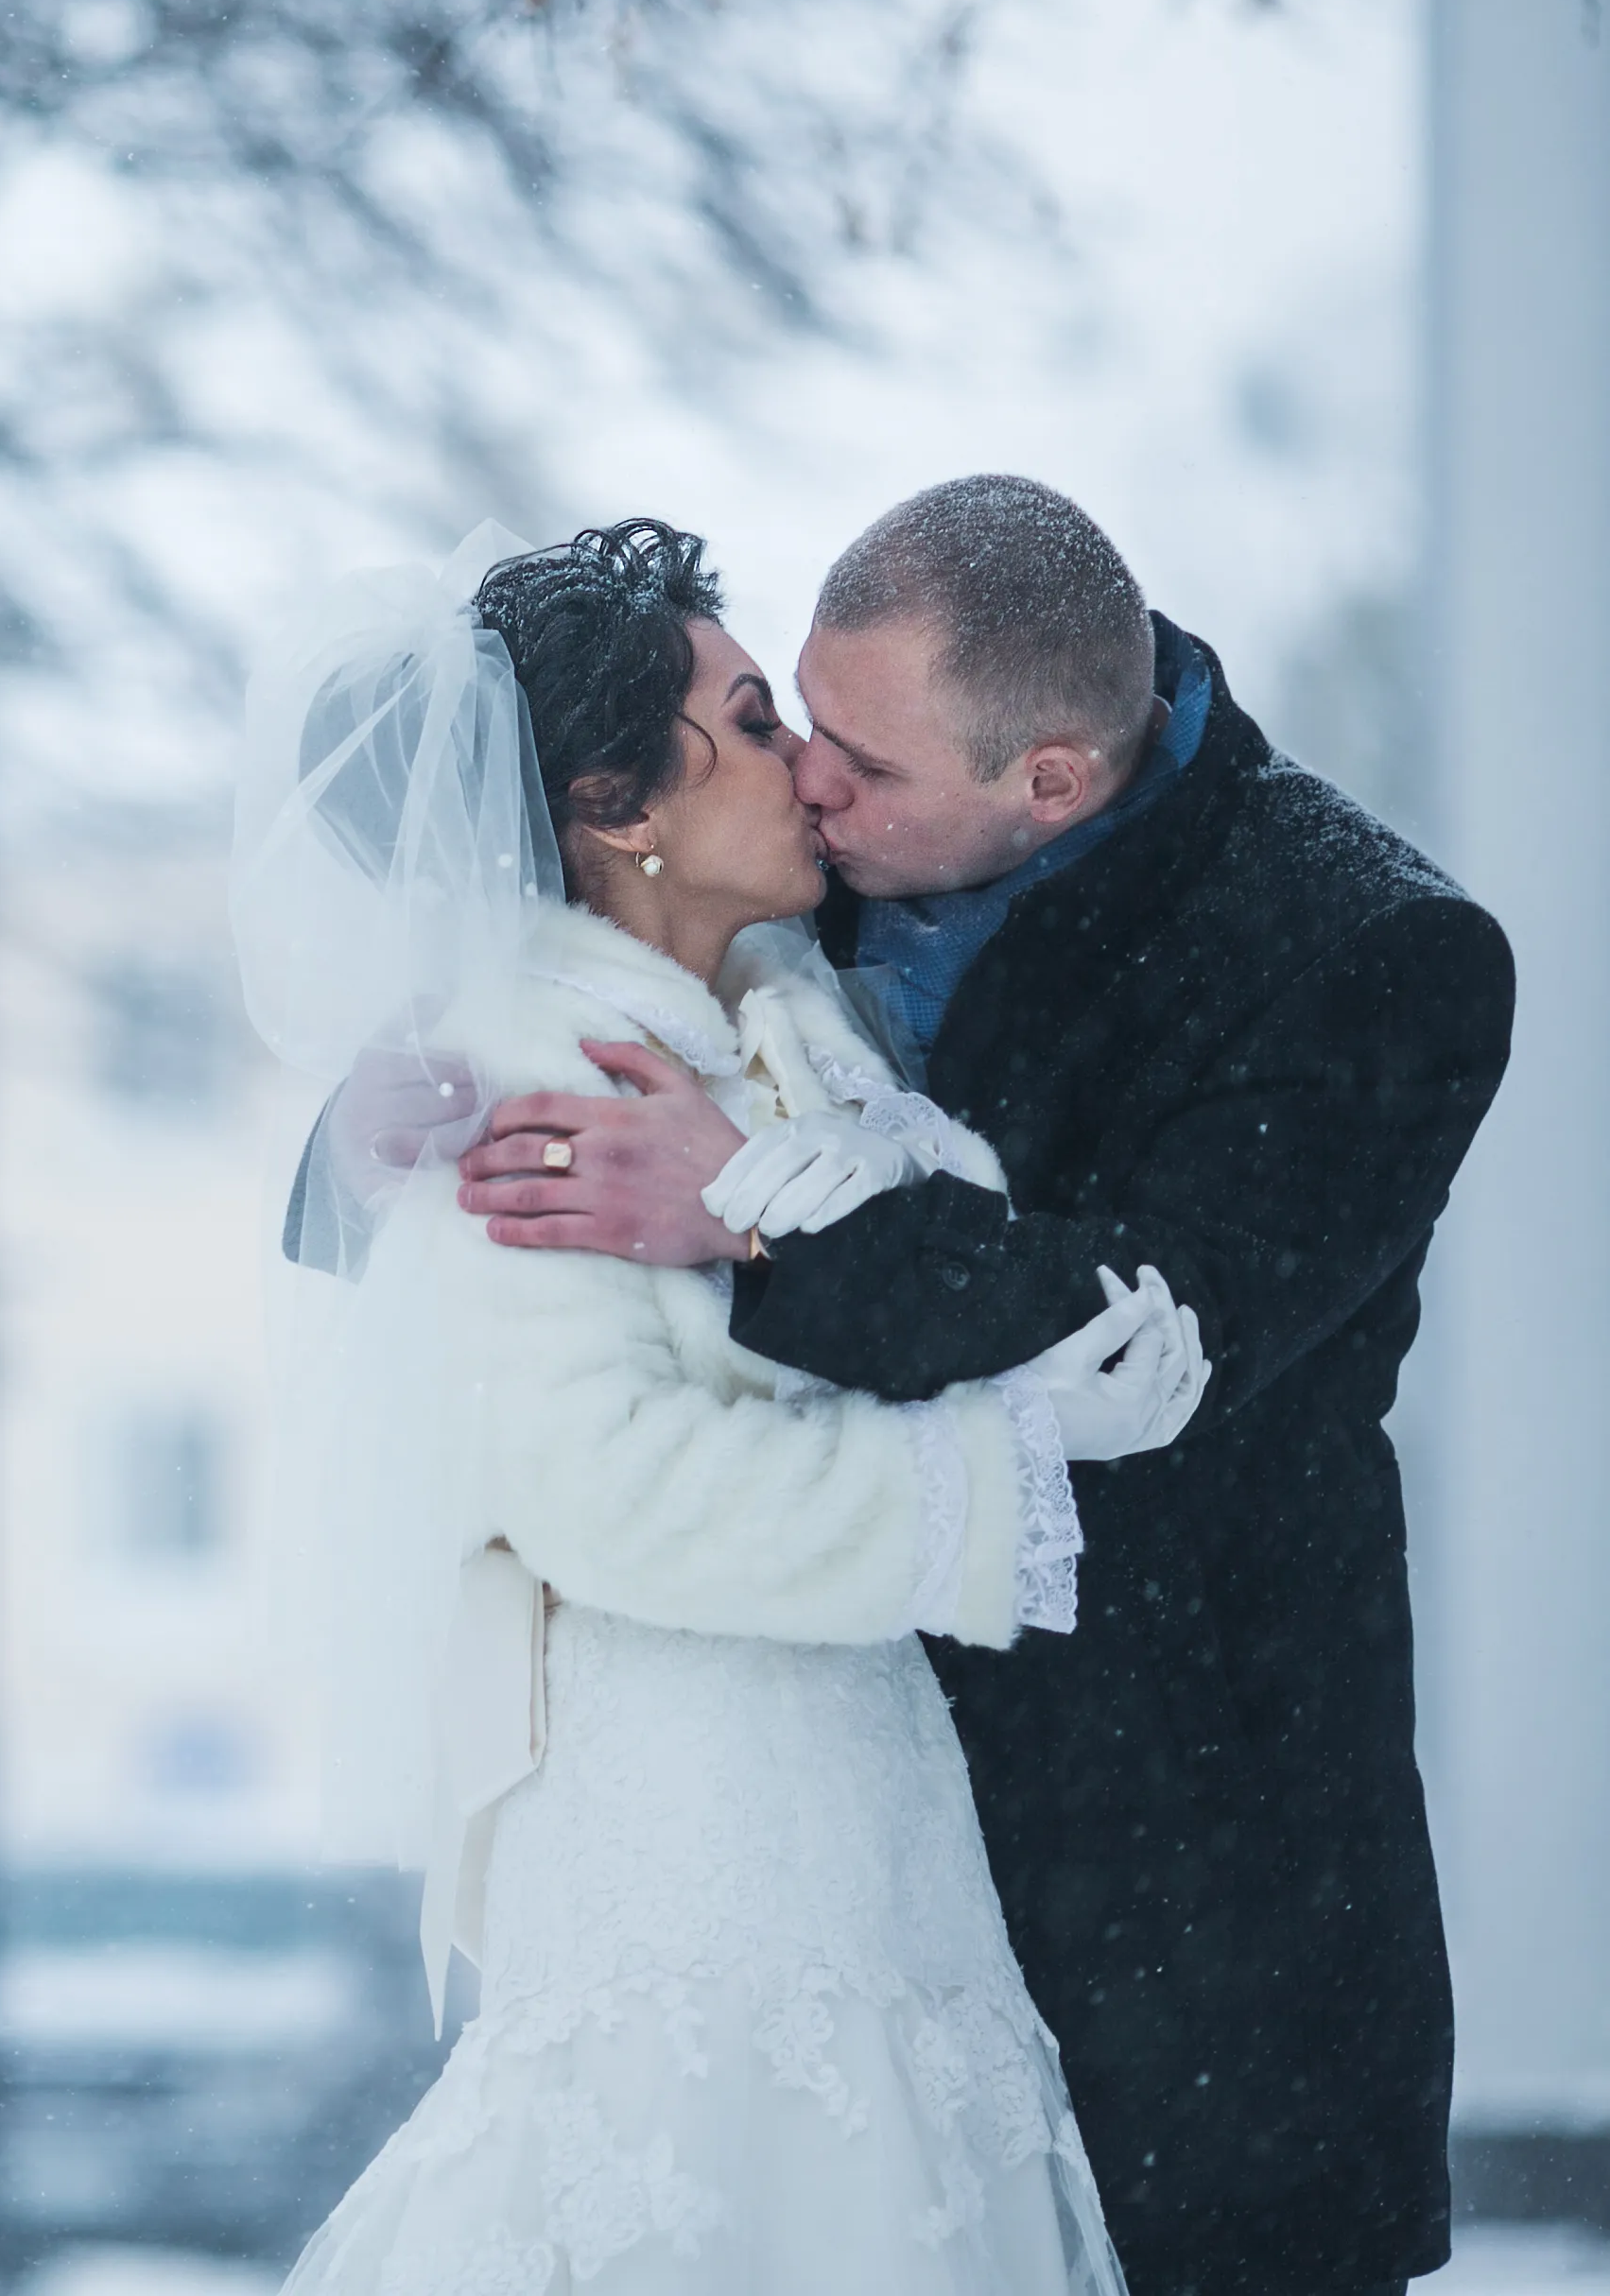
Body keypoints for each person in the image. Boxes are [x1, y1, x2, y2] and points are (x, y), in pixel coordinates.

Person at [447, 477, 1515, 2296]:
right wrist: (395, 1107)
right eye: (791, 720)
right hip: (817, 1835)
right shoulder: (804, 887)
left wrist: (745, 1217)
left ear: (1049, 783)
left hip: (1194, 1875)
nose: (809, 785)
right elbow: (550, 956)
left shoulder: (1370, 958)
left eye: (856, 764)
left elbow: (1163, 1319)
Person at [237, 521, 1202, 2295]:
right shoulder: (540, 1080)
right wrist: (998, 1466)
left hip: (850, 1801)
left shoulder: (776, 1026)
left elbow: (907, 1267)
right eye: (755, 720)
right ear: (622, 807)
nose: (808, 770)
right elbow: (609, 1492)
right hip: (693, 1823)